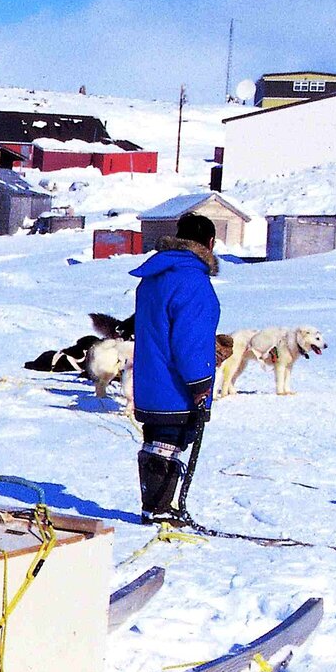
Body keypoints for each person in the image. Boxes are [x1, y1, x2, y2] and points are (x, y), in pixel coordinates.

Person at [130, 213, 221, 524]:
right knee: (169, 444)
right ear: (210, 243)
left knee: (156, 440)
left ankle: (154, 505)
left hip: (150, 379)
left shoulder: (155, 276)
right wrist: (200, 382)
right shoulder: (193, 282)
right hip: (176, 385)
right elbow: (190, 341)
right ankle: (159, 509)